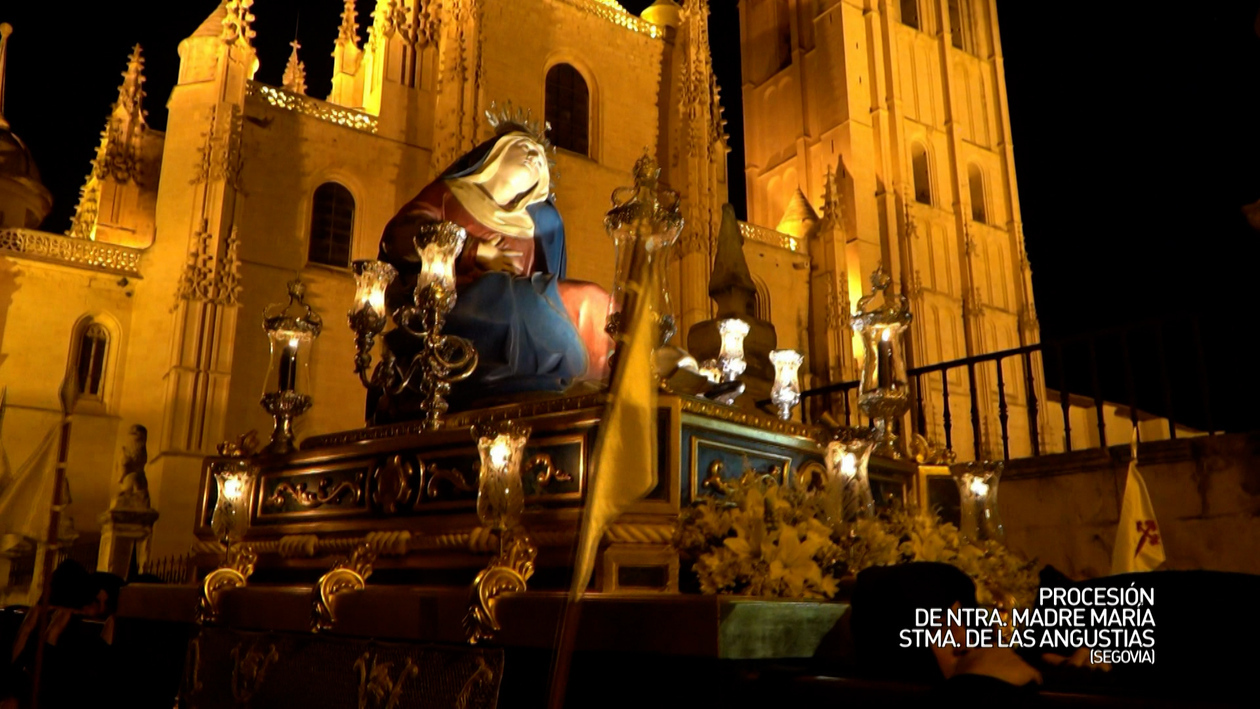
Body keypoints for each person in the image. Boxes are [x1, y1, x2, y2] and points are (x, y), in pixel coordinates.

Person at [375, 127, 613, 420]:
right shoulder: (452, 195)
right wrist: (474, 250)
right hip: (454, 310)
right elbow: (399, 239)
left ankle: (619, 372)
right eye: (525, 147)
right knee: (535, 300)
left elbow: (548, 283)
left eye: (540, 158)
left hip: (516, 308)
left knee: (590, 299)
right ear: (495, 154)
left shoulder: (541, 224)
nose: (535, 157)